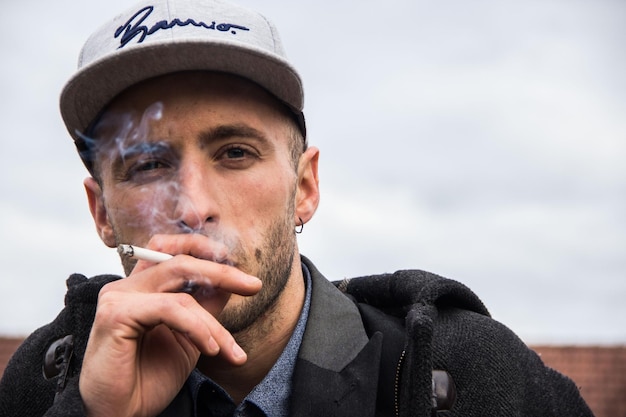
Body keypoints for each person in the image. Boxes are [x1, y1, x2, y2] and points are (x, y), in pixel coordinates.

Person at [0, 0, 594, 416]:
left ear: (305, 187)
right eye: (149, 164)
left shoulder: (463, 375)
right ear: (101, 212)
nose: (196, 206)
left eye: (235, 152)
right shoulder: (41, 384)